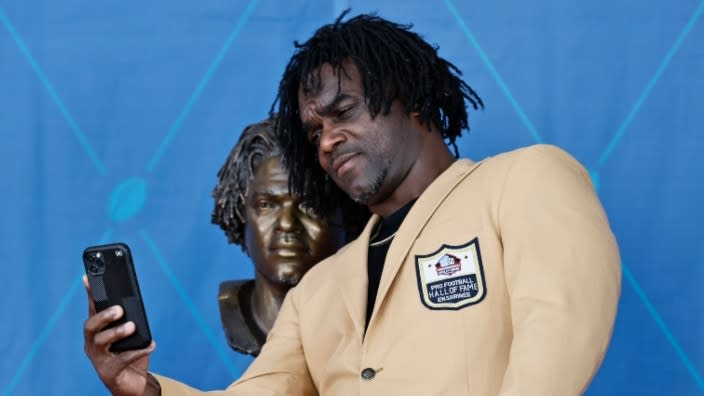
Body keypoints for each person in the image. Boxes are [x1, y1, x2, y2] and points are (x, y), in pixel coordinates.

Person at [83, 11, 621, 395]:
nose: (327, 140)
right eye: (315, 130)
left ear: (410, 98)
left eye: (343, 113)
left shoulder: (526, 180)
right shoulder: (318, 288)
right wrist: (145, 389)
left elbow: (556, 342)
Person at [211, 115, 363, 356]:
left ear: (346, 216)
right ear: (240, 215)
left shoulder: (377, 320)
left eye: (309, 205)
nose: (286, 224)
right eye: (266, 205)